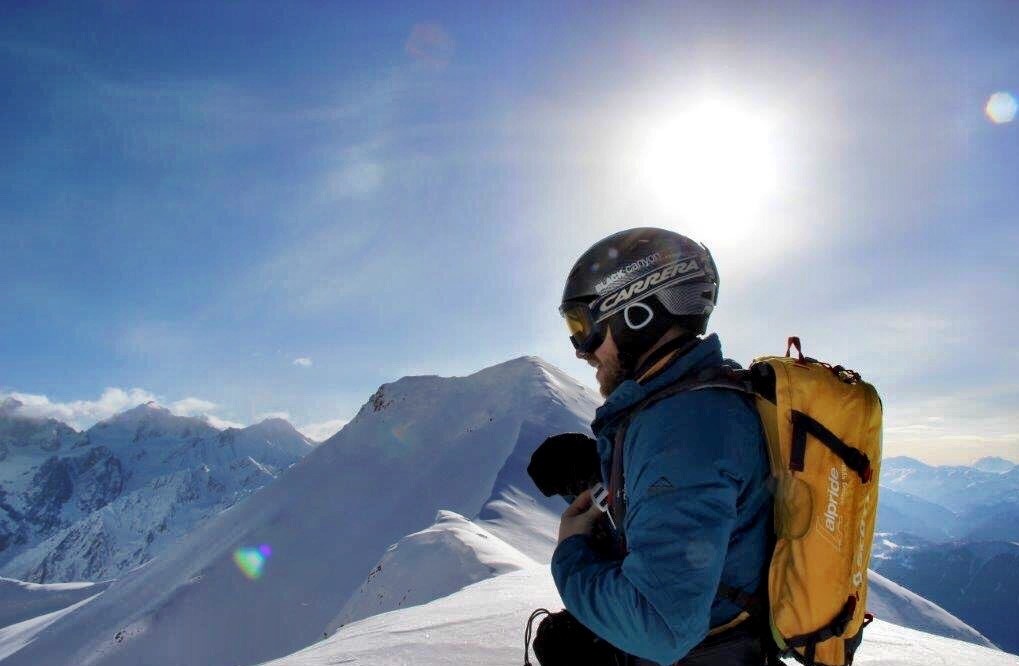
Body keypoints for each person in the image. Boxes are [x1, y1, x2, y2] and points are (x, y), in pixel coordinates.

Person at [550, 227, 773, 665]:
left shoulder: (684, 429)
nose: (582, 351)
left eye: (585, 328)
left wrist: (571, 557)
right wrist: (602, 475)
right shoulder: (687, 402)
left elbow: (659, 627)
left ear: (637, 314)